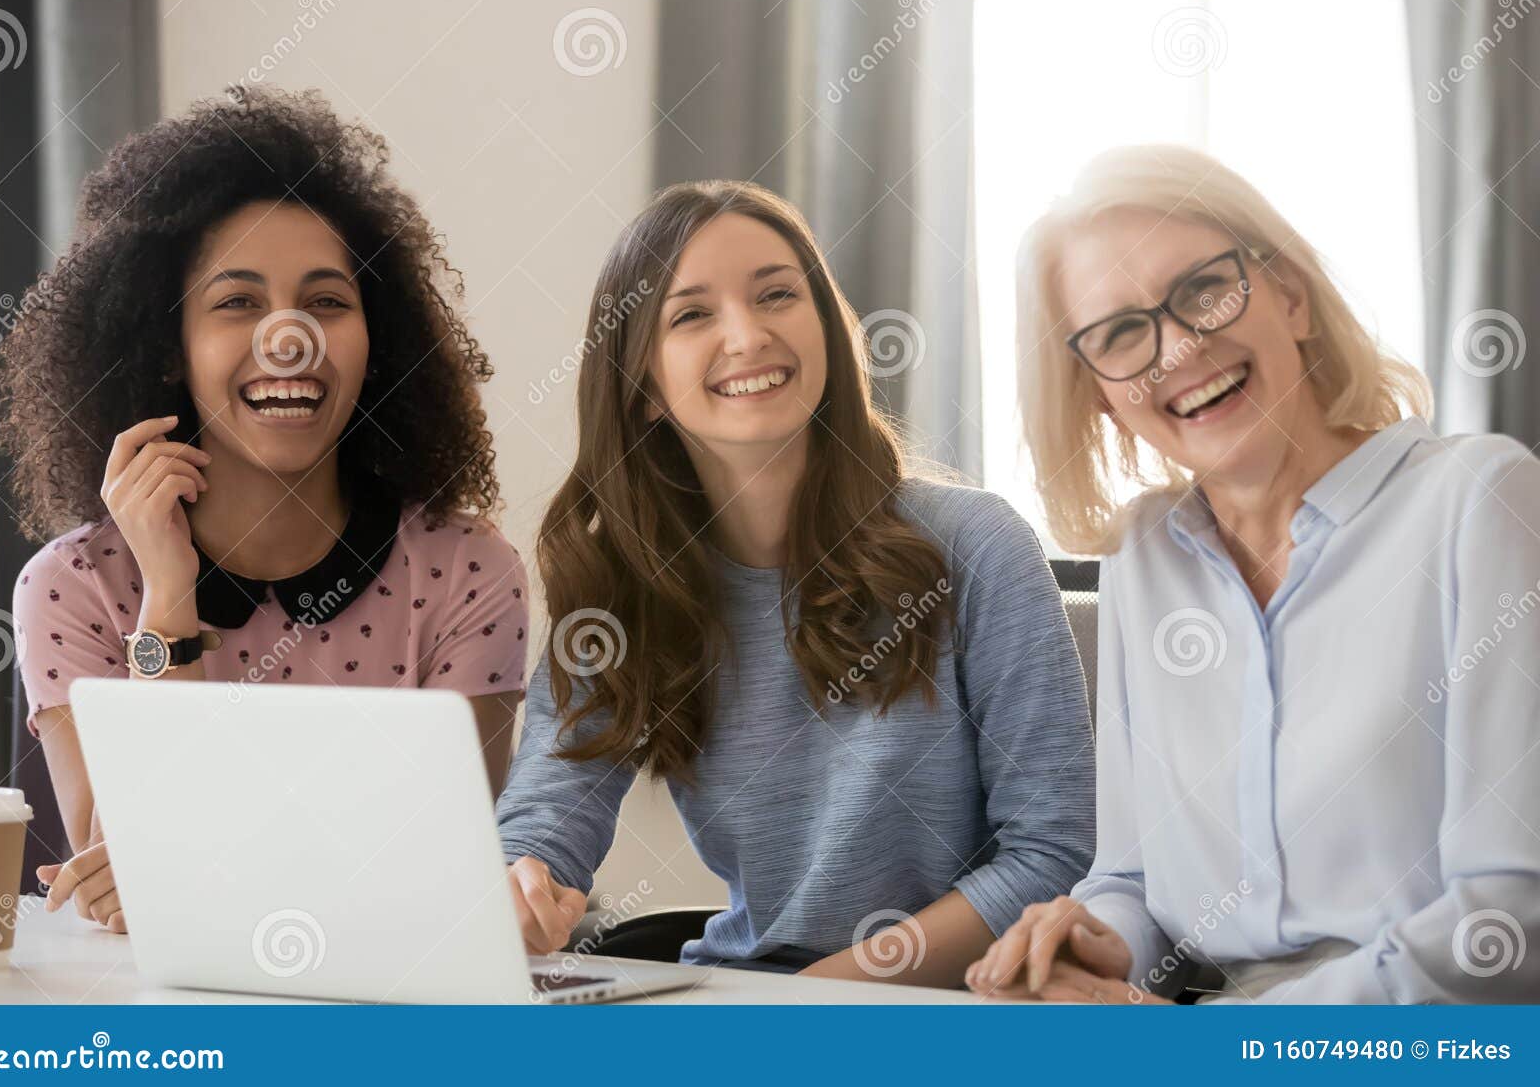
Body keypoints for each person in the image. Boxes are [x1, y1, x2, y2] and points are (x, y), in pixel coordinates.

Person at [966, 144, 1540, 1004]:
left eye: (1203, 289)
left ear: (1291, 297)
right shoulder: (1142, 556)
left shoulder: (1481, 498)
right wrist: (1088, 945)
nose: (1177, 351)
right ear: (1096, 392)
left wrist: (1220, 1044)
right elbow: (1129, 876)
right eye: (1121, 331)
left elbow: (1510, 921)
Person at [496, 180, 1094, 987]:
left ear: (830, 330)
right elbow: (544, 819)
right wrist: (525, 879)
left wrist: (825, 993)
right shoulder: (628, 585)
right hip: (747, 989)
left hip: (950, 1003)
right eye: (692, 314)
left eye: (778, 294)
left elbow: (1052, 850)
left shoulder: (975, 544)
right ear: (640, 388)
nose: (748, 335)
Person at [0, 88, 527, 935]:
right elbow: (122, 886)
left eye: (327, 301)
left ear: (373, 341)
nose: (292, 338)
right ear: (168, 347)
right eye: (237, 302)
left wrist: (202, 868)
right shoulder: (70, 586)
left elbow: (441, 878)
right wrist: (168, 598)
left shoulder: (468, 573)